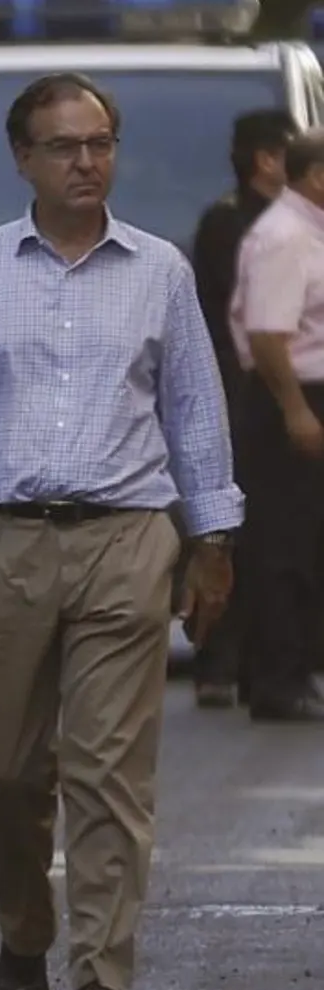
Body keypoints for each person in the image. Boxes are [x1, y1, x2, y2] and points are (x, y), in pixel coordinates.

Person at [0, 73, 240, 990]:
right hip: (3, 539)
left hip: (128, 539)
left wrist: (210, 538)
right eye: (63, 146)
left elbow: (193, 412)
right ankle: (23, 930)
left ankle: (101, 973)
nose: (85, 161)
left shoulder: (158, 271)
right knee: (8, 771)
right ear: (23, 159)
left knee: (109, 770)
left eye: (98, 143)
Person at [188, 109, 297, 709]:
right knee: (231, 528)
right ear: (266, 158)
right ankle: (218, 658)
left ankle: (261, 658)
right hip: (235, 388)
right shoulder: (234, 224)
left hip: (262, 387)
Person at [229, 128, 324, 722]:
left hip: (305, 391)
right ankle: (276, 680)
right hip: (290, 394)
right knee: (282, 541)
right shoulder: (284, 237)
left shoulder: (308, 230)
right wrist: (295, 409)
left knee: (309, 539)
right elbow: (267, 334)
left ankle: (298, 669)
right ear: (317, 177)